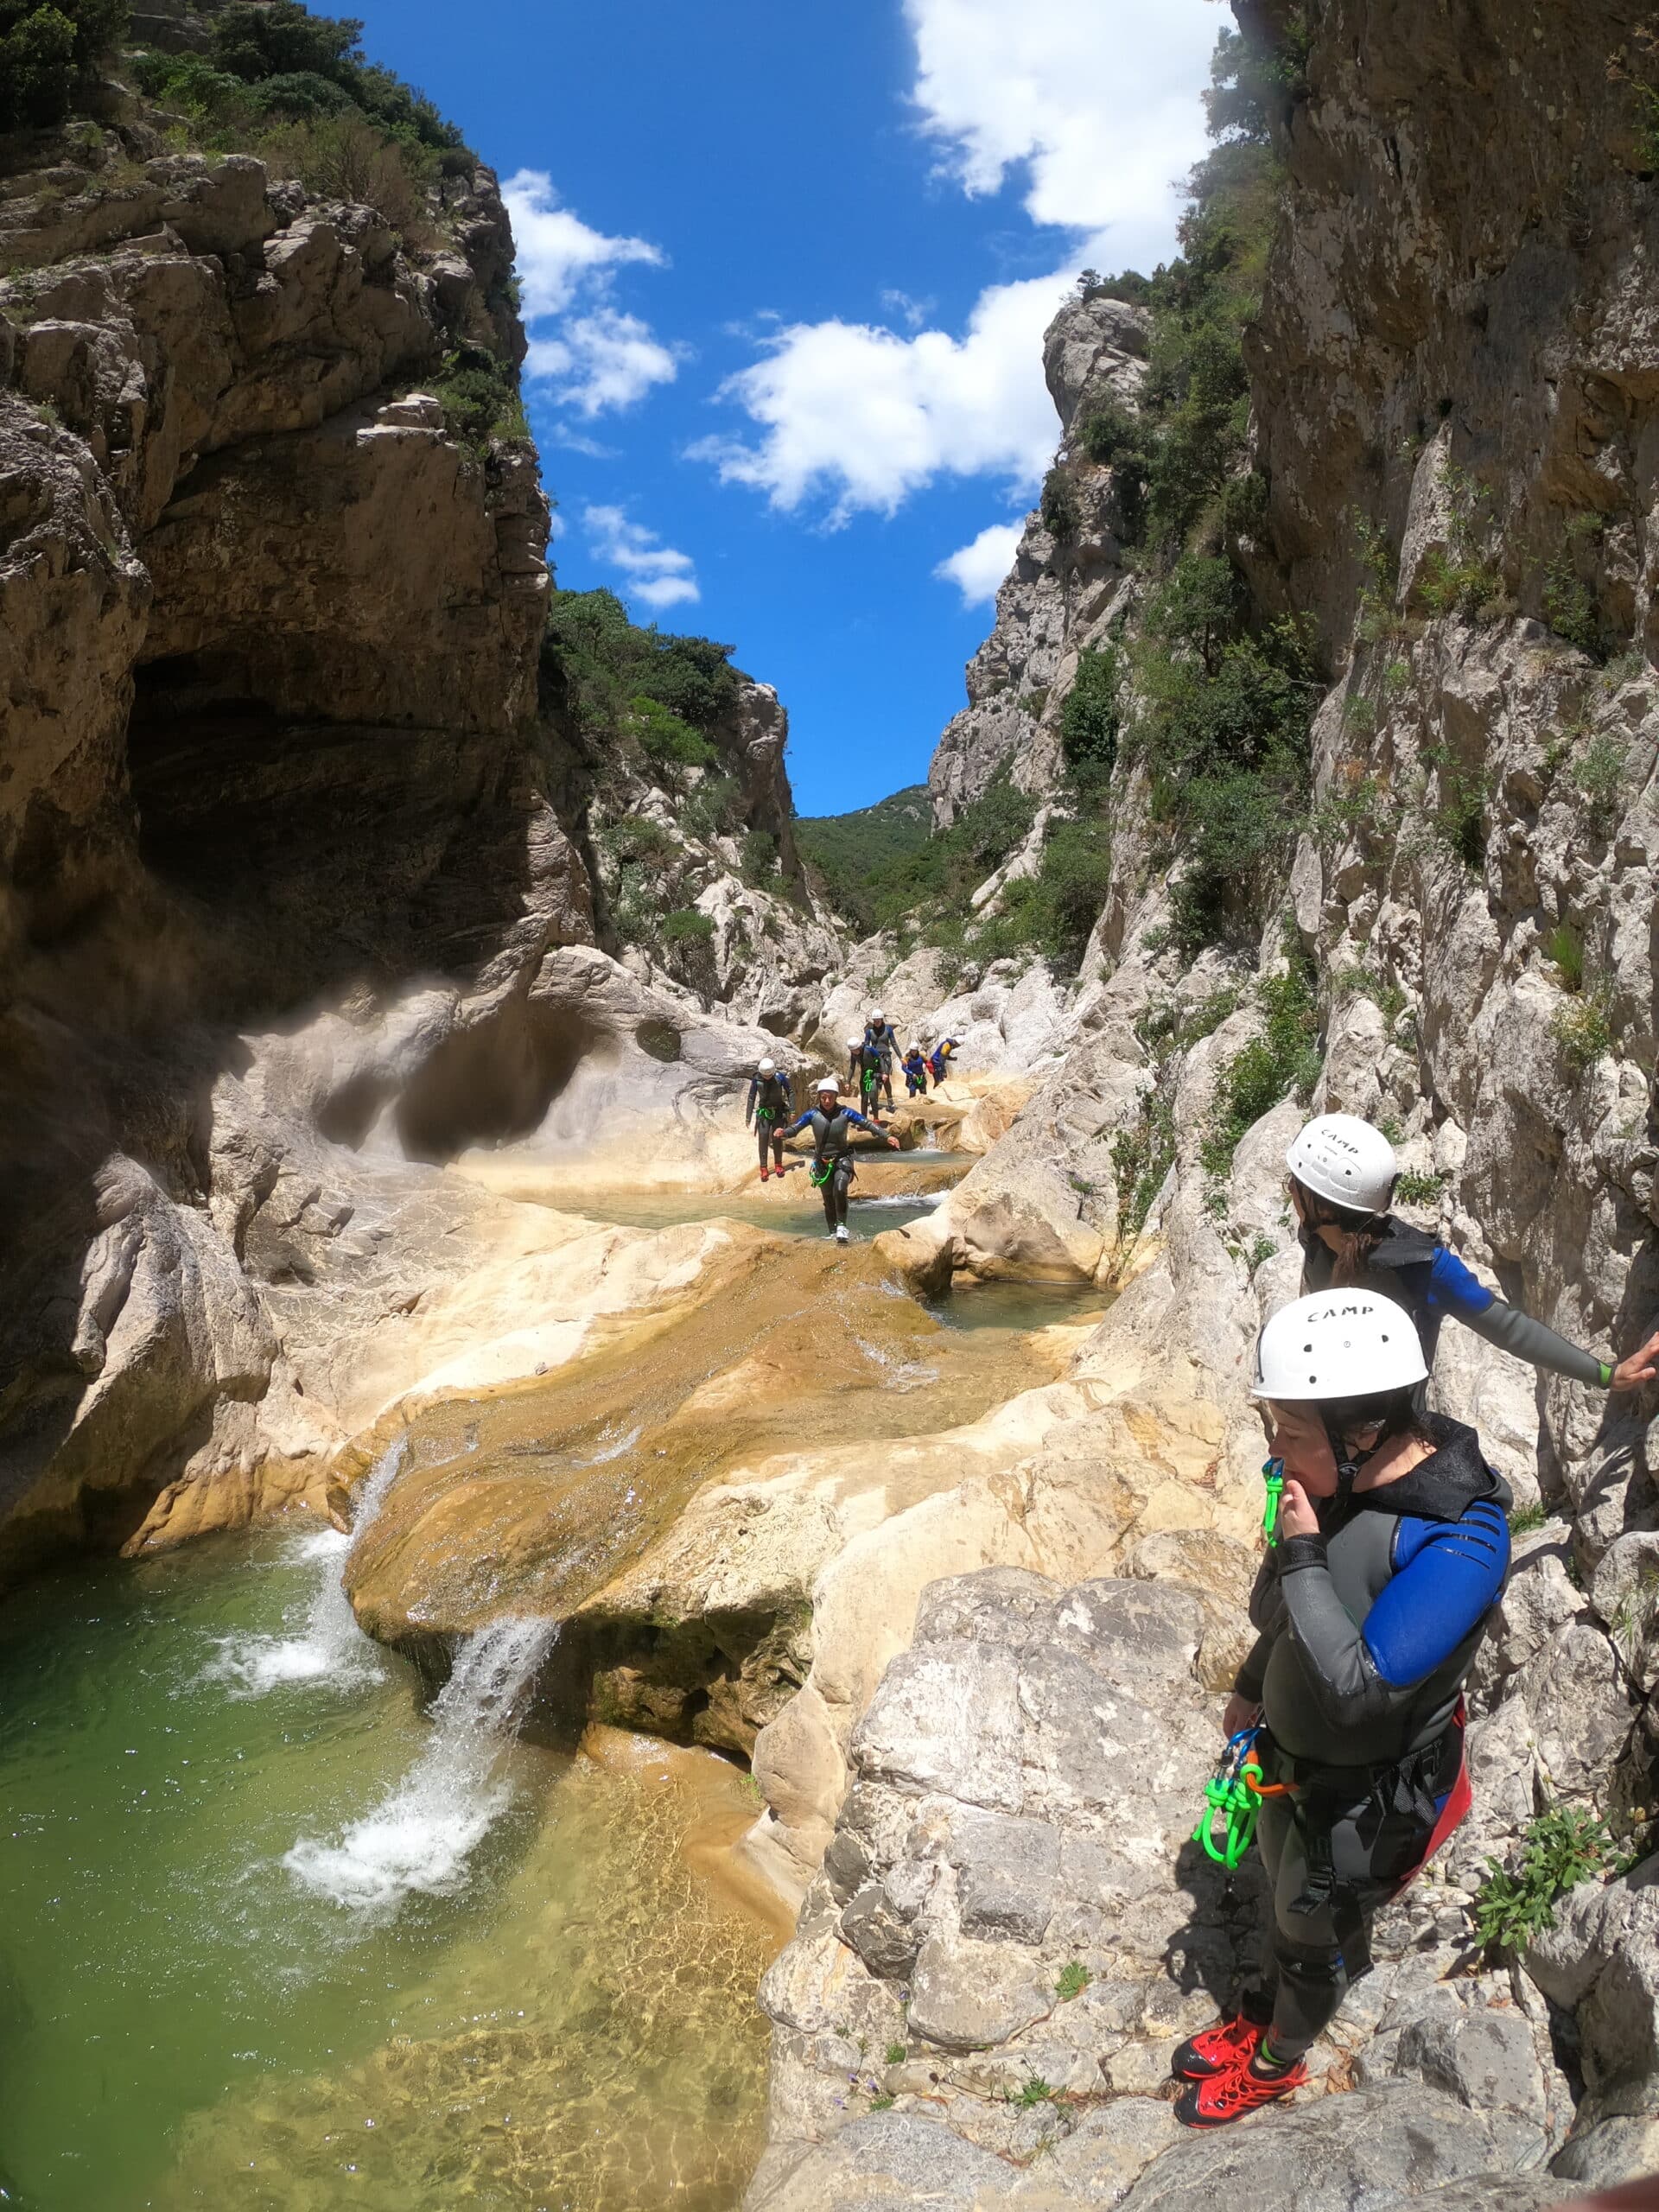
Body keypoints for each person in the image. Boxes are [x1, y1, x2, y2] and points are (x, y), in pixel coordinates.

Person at [1173, 1290, 1510, 2127]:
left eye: (1289, 1432)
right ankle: (1265, 2006)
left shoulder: (1460, 1534)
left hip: (1362, 1791)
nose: (1277, 1455)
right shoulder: (1342, 1485)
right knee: (1285, 1896)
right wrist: (1254, 1684)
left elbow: (1361, 1693)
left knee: (1313, 1924)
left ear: (1363, 1435)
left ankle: (1279, 2060)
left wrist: (1299, 1552)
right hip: (1292, 1762)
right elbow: (1295, 1619)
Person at [1287, 1114, 1659, 1390]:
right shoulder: (1316, 1237)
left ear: (1324, 1206)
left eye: (1296, 1184)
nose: (1289, 1189)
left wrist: (1607, 1375)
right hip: (1324, 1413)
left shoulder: (1421, 1265)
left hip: (1382, 1436)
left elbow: (1509, 1329)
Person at [779, 1077, 899, 1241]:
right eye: (823, 1097)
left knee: (840, 1188)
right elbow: (795, 1128)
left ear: (836, 1097)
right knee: (828, 1199)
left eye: (830, 1097)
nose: (827, 1101)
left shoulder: (846, 1113)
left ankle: (842, 1226)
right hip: (821, 1161)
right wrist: (783, 1133)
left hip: (842, 1158)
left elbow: (867, 1124)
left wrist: (887, 1136)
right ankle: (832, 1232)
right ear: (819, 1097)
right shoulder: (812, 1114)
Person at [744, 1057, 794, 1181]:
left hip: (778, 1111)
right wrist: (748, 1117)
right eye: (764, 1075)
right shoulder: (756, 1080)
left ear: (773, 1072)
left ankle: (778, 1165)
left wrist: (792, 1109)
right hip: (764, 1112)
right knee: (763, 1137)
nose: (767, 1077)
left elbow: (790, 1091)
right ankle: (764, 1168)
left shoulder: (779, 1077)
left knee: (777, 1137)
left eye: (769, 1075)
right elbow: (751, 1097)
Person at [863, 1008, 900, 1111]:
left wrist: (901, 1057)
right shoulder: (869, 1031)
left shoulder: (888, 1029)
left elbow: (894, 1043)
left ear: (882, 1019)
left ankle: (890, 1101)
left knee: (886, 1079)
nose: (876, 1022)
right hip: (875, 1058)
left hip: (886, 1057)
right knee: (876, 1080)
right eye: (874, 1021)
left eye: (878, 1020)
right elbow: (866, 1045)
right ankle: (873, 1101)